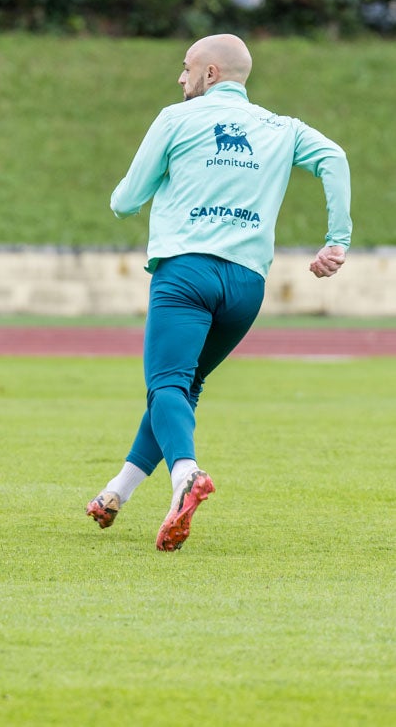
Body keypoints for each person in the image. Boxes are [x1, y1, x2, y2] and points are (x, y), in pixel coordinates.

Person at [86, 33, 351, 551]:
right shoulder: (283, 128)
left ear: (209, 74)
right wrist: (335, 241)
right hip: (247, 286)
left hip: (186, 273)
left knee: (165, 385)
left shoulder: (175, 118)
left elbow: (124, 200)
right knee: (185, 389)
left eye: (186, 68)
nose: (180, 78)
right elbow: (335, 158)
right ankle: (117, 491)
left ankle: (186, 473)